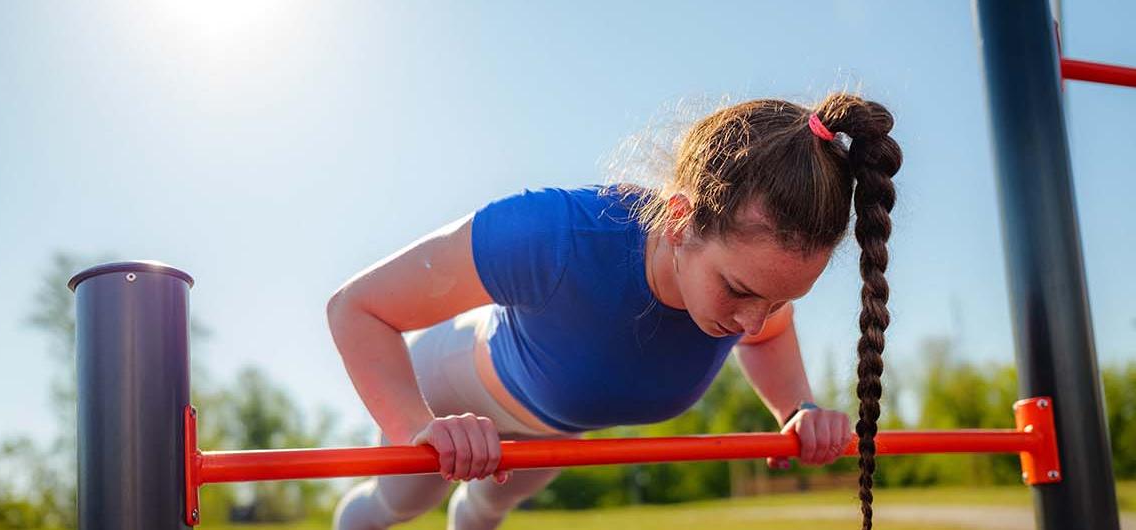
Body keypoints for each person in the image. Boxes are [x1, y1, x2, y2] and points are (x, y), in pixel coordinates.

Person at [327, 92, 902, 530]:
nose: (754, 319)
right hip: (453, 389)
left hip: (554, 431)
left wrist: (795, 407)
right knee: (396, 503)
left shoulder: (755, 296)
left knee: (482, 513)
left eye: (779, 300)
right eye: (738, 289)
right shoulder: (554, 236)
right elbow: (356, 308)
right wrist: (418, 427)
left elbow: (767, 335)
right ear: (679, 220)